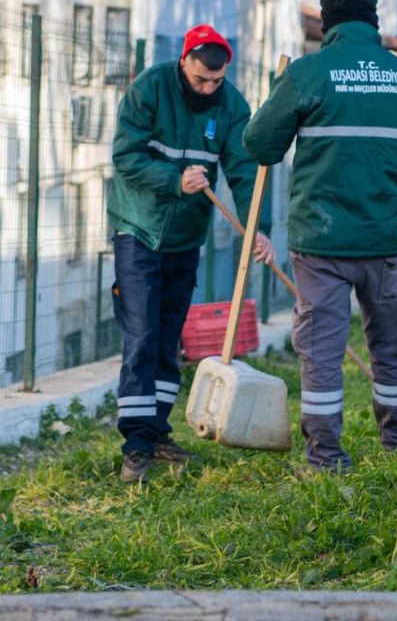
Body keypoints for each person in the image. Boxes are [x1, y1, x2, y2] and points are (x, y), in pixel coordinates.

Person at [242, 0, 397, 472]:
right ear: (374, 20)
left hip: (322, 242)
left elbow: (259, 145)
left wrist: (278, 96)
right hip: (385, 241)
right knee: (392, 351)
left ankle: (326, 457)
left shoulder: (307, 74)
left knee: (321, 356)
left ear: (327, 22)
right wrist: (396, 212)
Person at [108, 24, 274, 484]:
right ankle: (135, 446)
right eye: (201, 80)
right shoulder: (150, 88)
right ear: (184, 62)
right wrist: (173, 180)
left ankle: (159, 433)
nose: (208, 89)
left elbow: (244, 170)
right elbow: (126, 157)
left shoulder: (232, 106)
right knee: (140, 334)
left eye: (216, 82)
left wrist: (257, 228)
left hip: (186, 237)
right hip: (138, 229)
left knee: (167, 339)